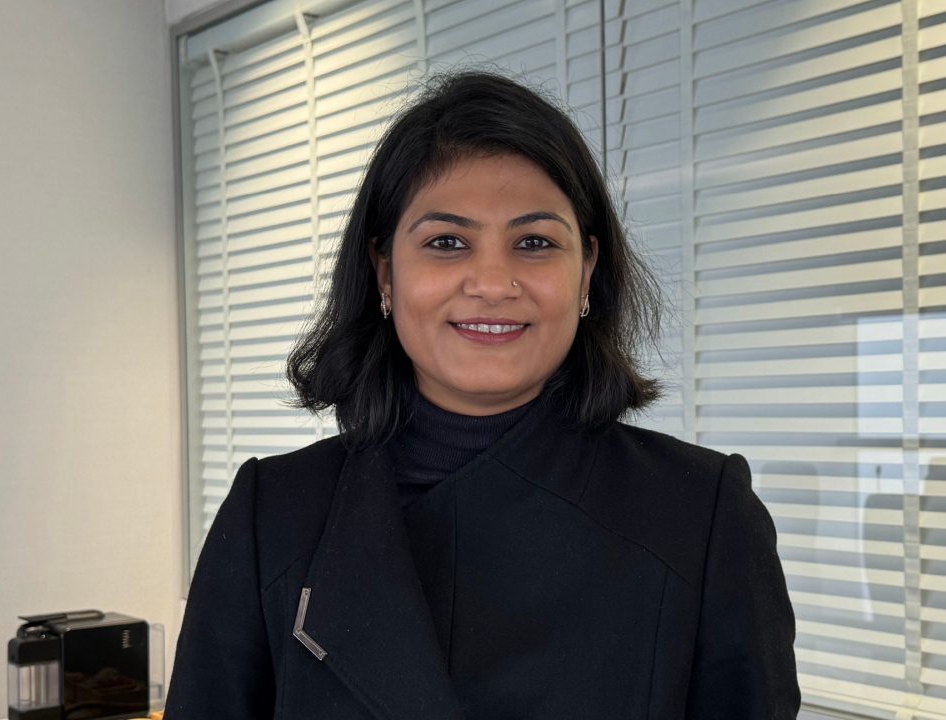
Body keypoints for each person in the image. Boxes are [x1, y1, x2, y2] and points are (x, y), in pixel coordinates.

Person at [165, 71, 800, 719]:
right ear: (385, 272)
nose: (493, 283)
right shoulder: (272, 515)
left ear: (586, 272)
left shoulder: (701, 514)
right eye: (447, 243)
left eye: (534, 243)